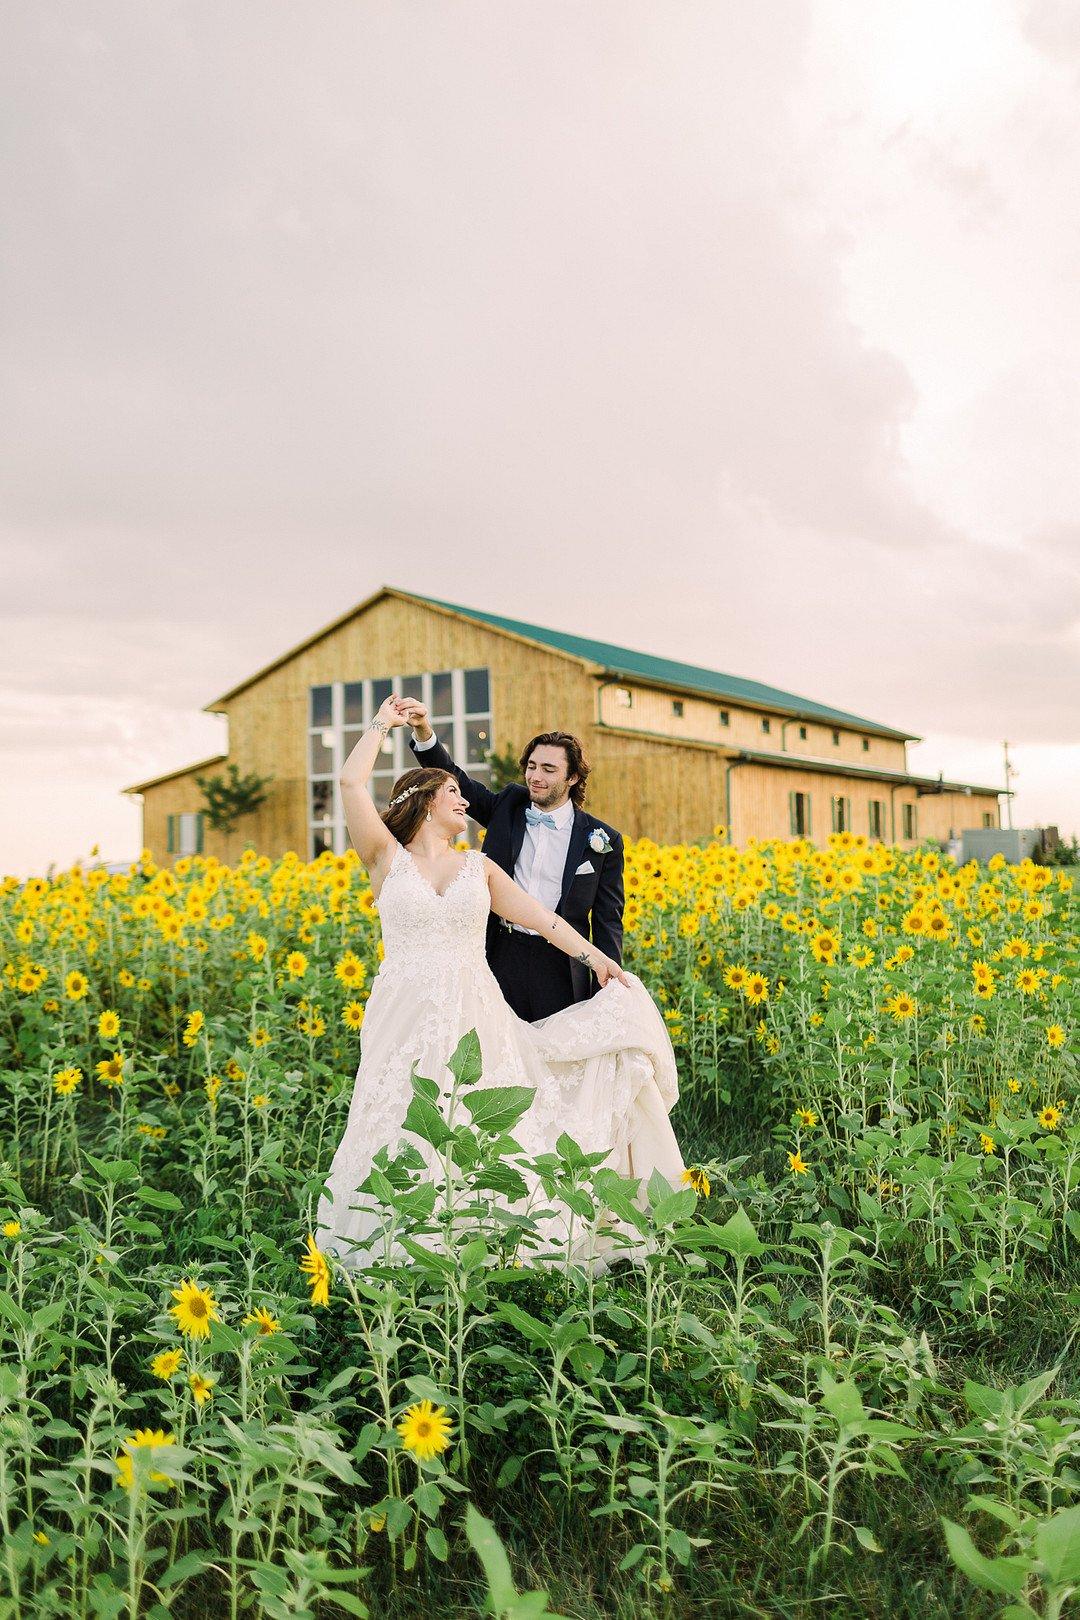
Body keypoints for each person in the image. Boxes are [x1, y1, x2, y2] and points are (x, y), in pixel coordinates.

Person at [313, 693, 686, 1273]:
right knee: (397, 1105)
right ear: (426, 805)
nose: (467, 802)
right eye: (454, 796)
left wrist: (601, 962)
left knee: (480, 1112)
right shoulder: (384, 858)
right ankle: (393, 1237)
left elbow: (547, 919)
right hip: (403, 1007)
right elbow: (348, 782)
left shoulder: (479, 867)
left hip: (475, 1004)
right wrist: (382, 725)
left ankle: (482, 1235)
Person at [400, 700, 624, 1020]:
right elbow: (454, 778)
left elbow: (608, 921)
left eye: (549, 769)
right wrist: (423, 731)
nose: (535, 776)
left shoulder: (603, 841)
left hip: (561, 963)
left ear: (573, 778)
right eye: (532, 766)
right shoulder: (507, 806)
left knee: (554, 1061)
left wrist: (607, 992)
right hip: (500, 952)